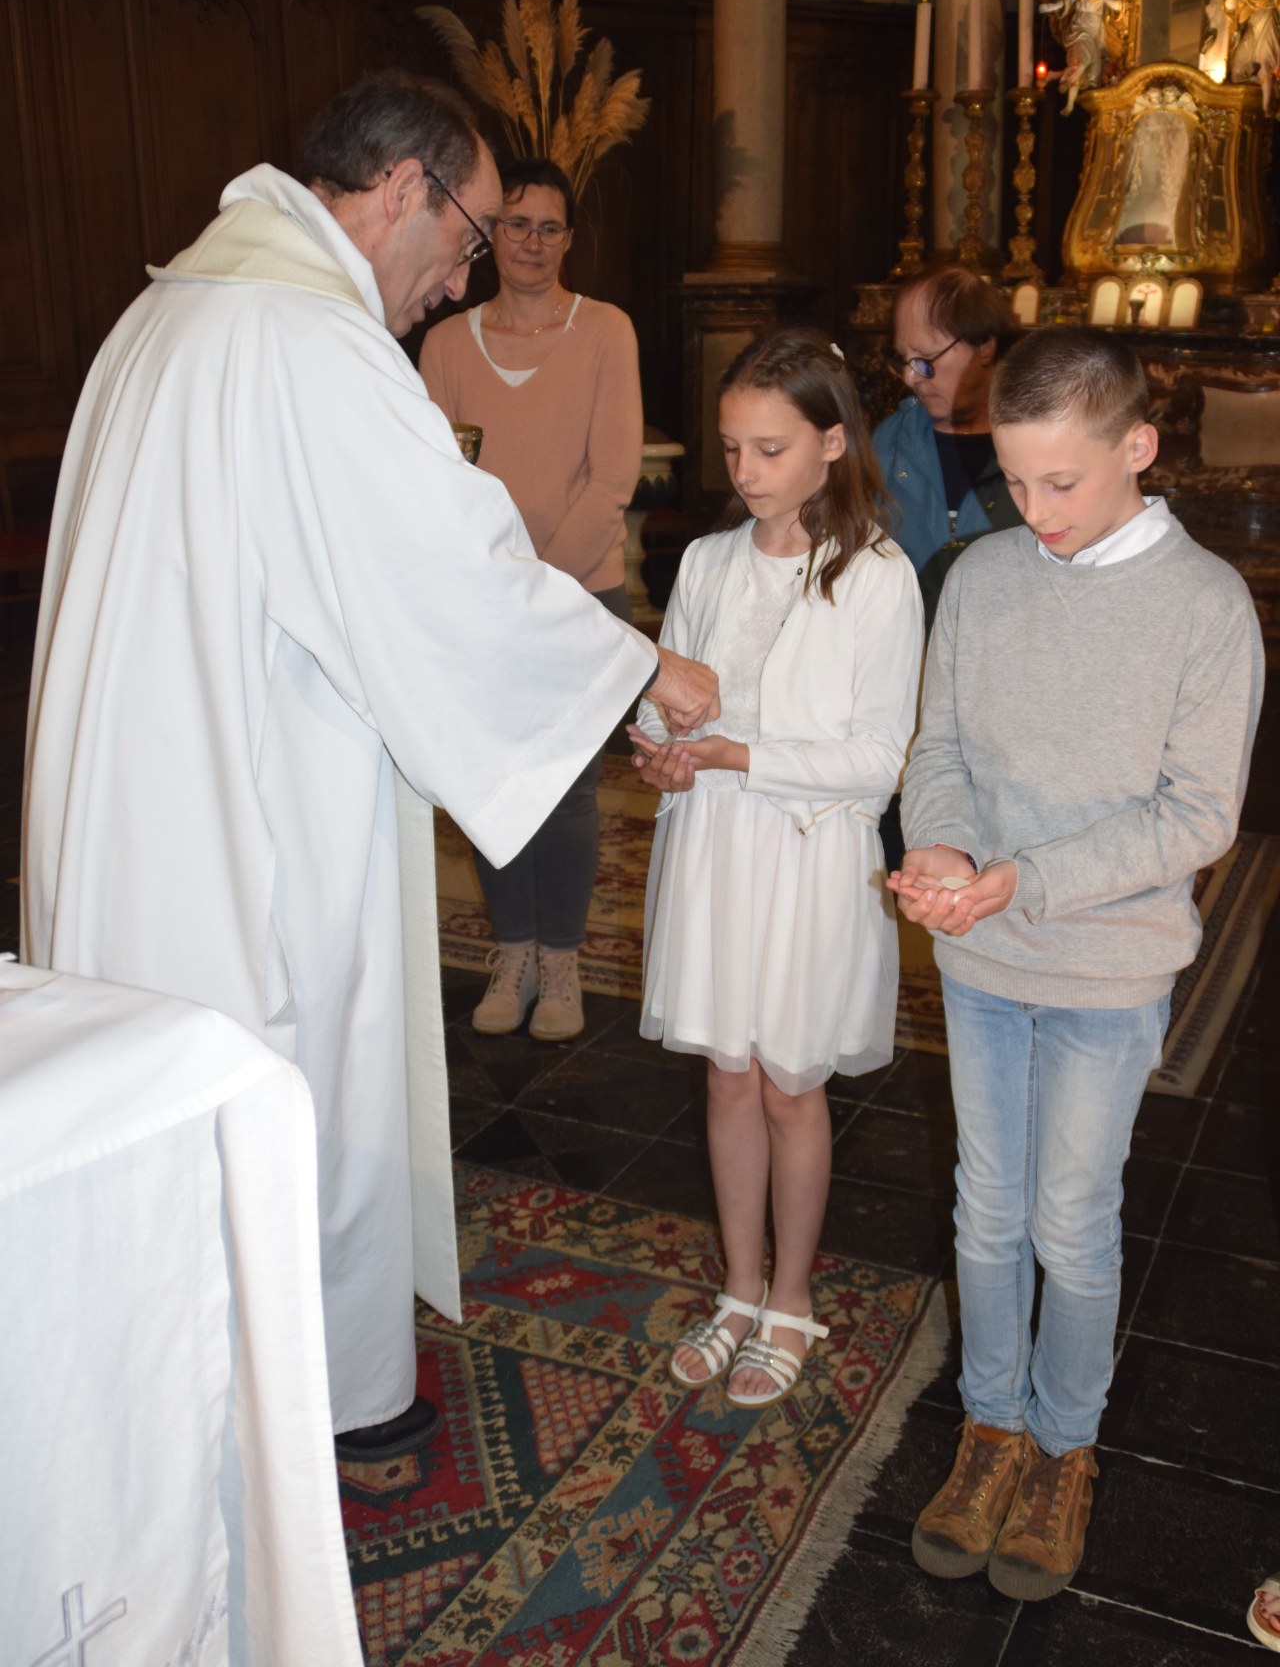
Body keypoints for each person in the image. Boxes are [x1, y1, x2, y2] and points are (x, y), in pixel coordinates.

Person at [21, 71, 718, 1459]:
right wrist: (639, 664)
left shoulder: (165, 315)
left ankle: (176, 1381)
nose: (456, 287)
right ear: (402, 188)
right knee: (287, 1074)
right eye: (463, 243)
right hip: (250, 816)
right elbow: (447, 572)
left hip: (144, 796)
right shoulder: (306, 342)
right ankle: (297, 1401)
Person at [889, 328, 1262, 1600]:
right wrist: (937, 838)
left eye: (1061, 483)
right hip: (982, 951)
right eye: (1013, 480)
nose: (1031, 512)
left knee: (1070, 1218)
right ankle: (990, 1428)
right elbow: (931, 742)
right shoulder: (982, 576)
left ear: (1136, 449)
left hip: (1105, 965)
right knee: (985, 1207)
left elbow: (1196, 815)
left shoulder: (1206, 608)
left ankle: (1062, 1449)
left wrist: (1026, 880)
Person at [629, 329, 924, 1407]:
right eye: (730, 449)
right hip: (711, 843)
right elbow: (662, 690)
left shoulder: (877, 578)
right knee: (726, 1073)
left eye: (766, 449)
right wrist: (657, 750)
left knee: (791, 1085)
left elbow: (877, 760)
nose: (743, 473)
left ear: (830, 444)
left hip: (805, 856)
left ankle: (791, 1297)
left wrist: (736, 751)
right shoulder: (707, 563)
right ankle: (737, 1289)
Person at [420, 155, 642, 1043]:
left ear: (569, 240)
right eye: (515, 225)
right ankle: (510, 953)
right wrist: (492, 595)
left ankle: (561, 964)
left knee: (572, 791)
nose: (532, 243)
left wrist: (536, 593)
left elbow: (613, 477)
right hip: (477, 605)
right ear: (488, 233)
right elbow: (433, 481)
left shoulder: (606, 331)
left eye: (550, 228)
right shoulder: (444, 343)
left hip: (581, 596)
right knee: (491, 789)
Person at [874, 267, 1021, 632]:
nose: (911, 377)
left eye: (926, 359)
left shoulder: (1042, 449)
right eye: (902, 360)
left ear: (984, 345)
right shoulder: (886, 444)